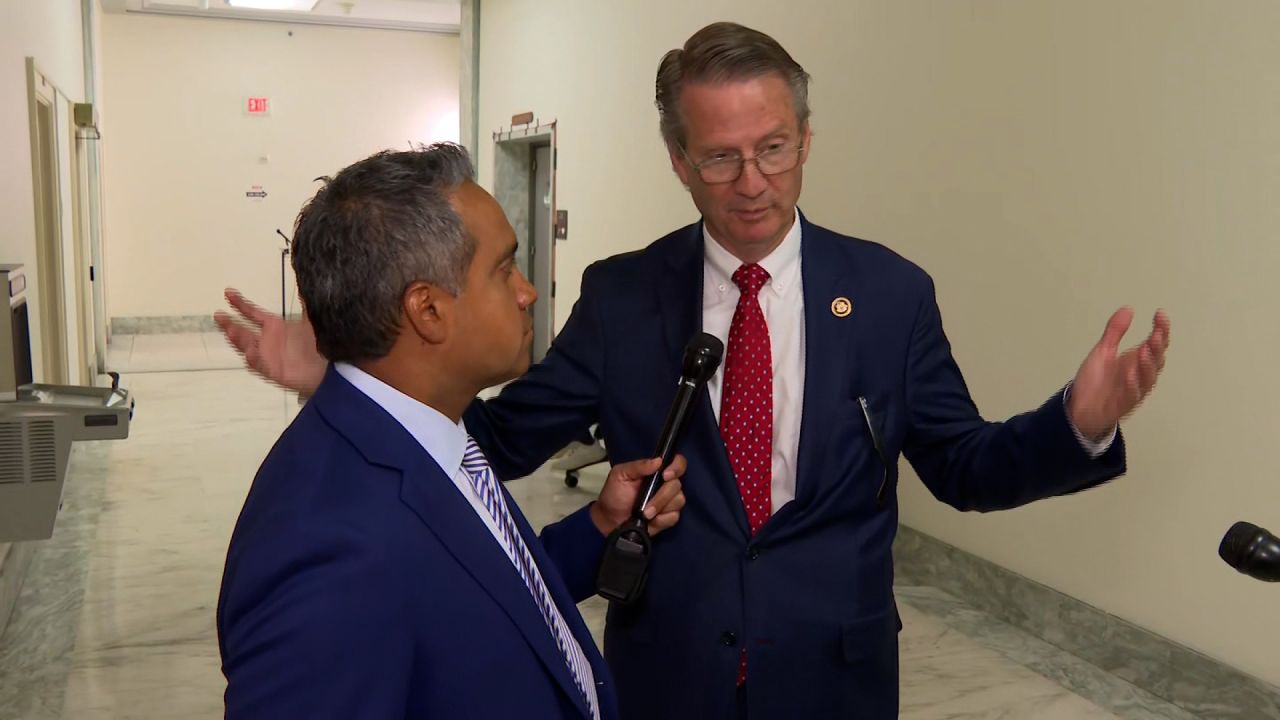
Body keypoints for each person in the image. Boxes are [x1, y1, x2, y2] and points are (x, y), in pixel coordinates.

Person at [216, 22, 1171, 720]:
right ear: (678, 159)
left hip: (834, 683)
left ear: (805, 139)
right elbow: (487, 443)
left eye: (773, 149)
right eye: (719, 158)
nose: (751, 182)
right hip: (668, 681)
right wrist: (359, 368)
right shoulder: (625, 296)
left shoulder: (888, 293)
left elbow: (964, 468)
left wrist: (1075, 424)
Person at [216, 143, 688, 719]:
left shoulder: (429, 439)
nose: (527, 292)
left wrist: (598, 527)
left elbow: (477, 600)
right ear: (428, 310)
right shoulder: (327, 540)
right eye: (503, 269)